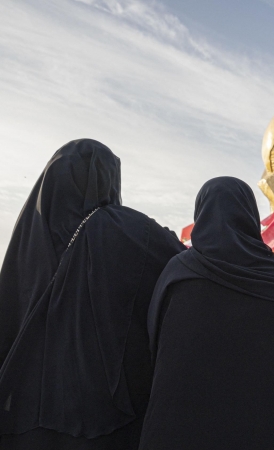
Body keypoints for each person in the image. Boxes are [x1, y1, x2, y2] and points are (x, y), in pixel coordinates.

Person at [0, 139, 185, 449]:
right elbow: (182, 264)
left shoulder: (26, 243)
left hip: (22, 416)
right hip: (106, 421)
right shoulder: (128, 230)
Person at [139, 177, 274, 450]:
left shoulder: (180, 271)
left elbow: (154, 337)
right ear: (251, 215)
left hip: (181, 419)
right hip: (260, 418)